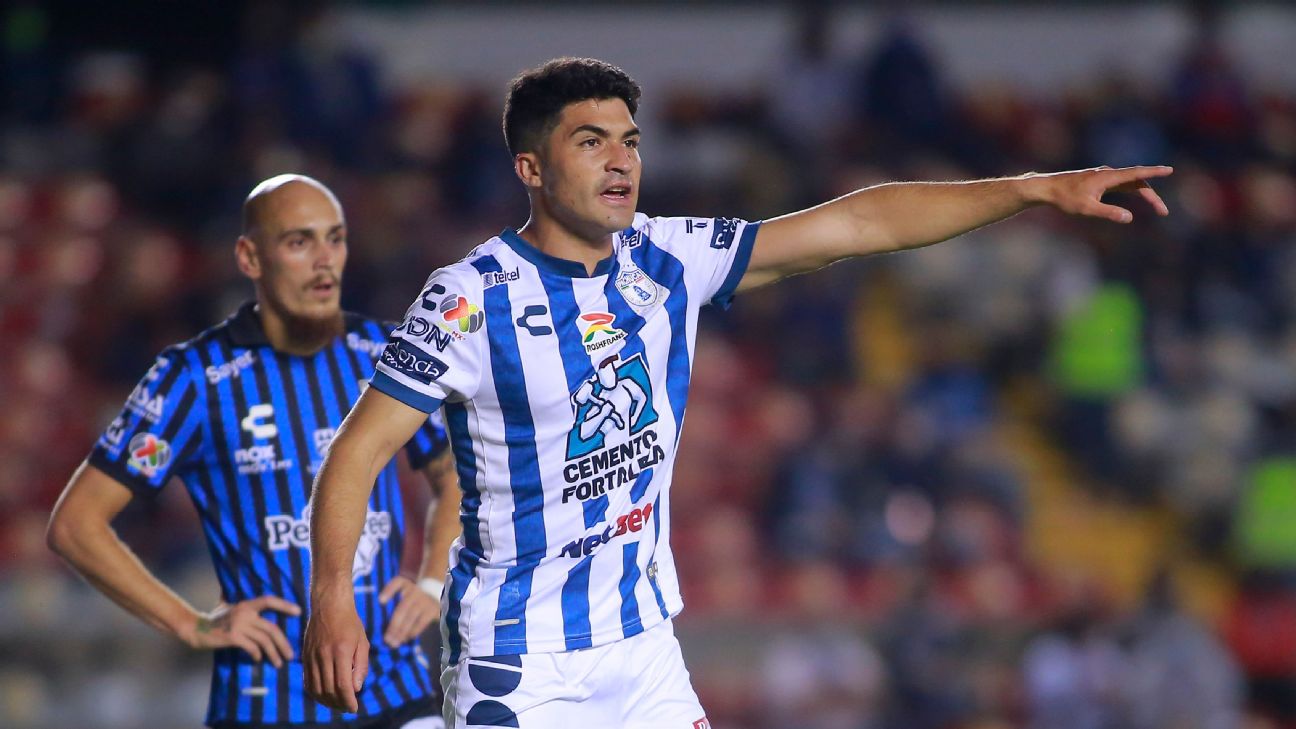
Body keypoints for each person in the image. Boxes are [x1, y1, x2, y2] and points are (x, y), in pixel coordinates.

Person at [302, 58, 1172, 727]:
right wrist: (333, 597)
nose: (620, 162)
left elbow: (859, 223)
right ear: (531, 167)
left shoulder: (668, 255)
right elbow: (359, 450)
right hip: (518, 657)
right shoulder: (469, 297)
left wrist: (1031, 189)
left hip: (643, 650)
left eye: (631, 140)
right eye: (590, 141)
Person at [47, 175, 461, 729]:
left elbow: (456, 473)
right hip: (267, 702)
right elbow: (76, 525)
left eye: (334, 239)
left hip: (396, 691)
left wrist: (433, 580)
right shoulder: (194, 378)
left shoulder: (384, 355)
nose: (324, 261)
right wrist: (191, 623)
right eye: (299, 241)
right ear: (250, 257)